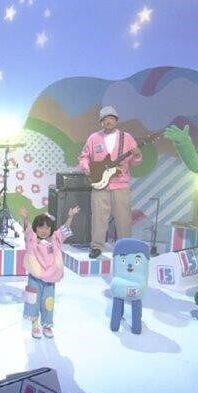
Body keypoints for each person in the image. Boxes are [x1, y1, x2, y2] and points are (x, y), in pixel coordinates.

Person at [77, 106, 142, 259]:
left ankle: (125, 247)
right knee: (98, 217)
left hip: (121, 184)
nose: (109, 121)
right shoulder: (93, 138)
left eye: (112, 119)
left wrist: (137, 156)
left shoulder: (126, 138)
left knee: (123, 218)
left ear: (116, 121)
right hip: (100, 184)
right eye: (105, 119)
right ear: (101, 122)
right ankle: (97, 246)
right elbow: (84, 156)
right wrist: (86, 168)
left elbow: (135, 162)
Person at [19, 205, 79, 339]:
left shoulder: (55, 239)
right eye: (40, 227)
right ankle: (35, 324)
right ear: (36, 228)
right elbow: (27, 230)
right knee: (33, 300)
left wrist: (70, 217)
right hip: (35, 277)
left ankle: (47, 325)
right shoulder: (32, 239)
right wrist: (25, 218)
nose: (44, 230)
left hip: (50, 278)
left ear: (51, 229)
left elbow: (64, 230)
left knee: (48, 301)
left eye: (47, 227)